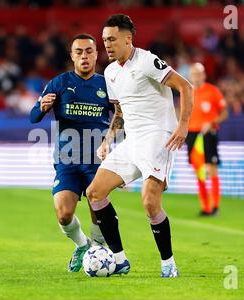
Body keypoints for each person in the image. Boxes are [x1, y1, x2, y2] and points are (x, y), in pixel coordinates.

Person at [86, 14, 194, 278]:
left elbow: (185, 86)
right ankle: (120, 260)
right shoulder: (110, 72)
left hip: (158, 137)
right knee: (94, 193)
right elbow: (121, 111)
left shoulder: (147, 61)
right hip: (131, 141)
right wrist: (108, 140)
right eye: (104, 40)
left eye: (111, 39)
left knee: (149, 202)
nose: (107, 45)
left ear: (128, 39)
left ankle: (168, 263)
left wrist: (183, 125)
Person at [30, 34, 115, 272]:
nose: (84, 56)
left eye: (89, 51)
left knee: (96, 206)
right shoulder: (58, 83)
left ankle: (98, 248)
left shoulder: (106, 85)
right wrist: (42, 107)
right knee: (63, 214)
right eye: (79, 52)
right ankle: (82, 245)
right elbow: (33, 116)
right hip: (66, 160)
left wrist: (114, 142)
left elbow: (121, 116)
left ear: (97, 54)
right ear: (72, 56)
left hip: (96, 160)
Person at [187, 63, 228, 216]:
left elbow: (224, 113)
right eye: (193, 74)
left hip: (208, 133)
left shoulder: (213, 91)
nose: (196, 77)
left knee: (211, 168)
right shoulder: (188, 91)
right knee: (199, 171)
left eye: (198, 74)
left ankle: (215, 206)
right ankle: (205, 207)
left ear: (203, 75)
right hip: (192, 134)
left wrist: (212, 122)